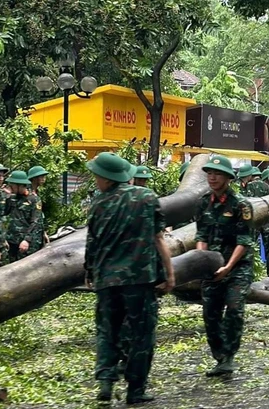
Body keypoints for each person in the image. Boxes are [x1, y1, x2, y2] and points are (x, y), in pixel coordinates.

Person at [84, 152, 174, 404]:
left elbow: (92, 242)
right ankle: (136, 390)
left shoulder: (97, 204)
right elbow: (159, 239)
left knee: (107, 331)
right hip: (139, 280)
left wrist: (89, 271)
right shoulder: (146, 197)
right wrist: (169, 273)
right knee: (141, 334)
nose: (95, 180)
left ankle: (105, 382)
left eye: (96, 175)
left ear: (106, 178)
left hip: (106, 280)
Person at [195, 155, 253, 377]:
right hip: (211, 267)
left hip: (238, 267)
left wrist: (228, 267)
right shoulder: (202, 203)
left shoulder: (241, 205)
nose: (212, 177)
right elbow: (201, 234)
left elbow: (244, 241)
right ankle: (219, 357)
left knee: (235, 309)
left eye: (217, 173)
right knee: (210, 313)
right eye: (209, 173)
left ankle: (229, 356)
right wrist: (202, 258)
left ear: (228, 178)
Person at [4, 171, 43, 262]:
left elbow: (35, 222)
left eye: (12, 185)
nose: (10, 187)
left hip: (27, 243)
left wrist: (27, 240)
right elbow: (4, 213)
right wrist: (6, 197)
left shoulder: (33, 199)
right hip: (13, 241)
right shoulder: (12, 198)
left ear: (20, 185)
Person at [27, 166, 50, 250]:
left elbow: (39, 216)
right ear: (34, 178)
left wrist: (43, 233)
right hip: (28, 238)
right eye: (41, 176)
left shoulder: (36, 193)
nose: (44, 178)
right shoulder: (26, 194)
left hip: (37, 236)